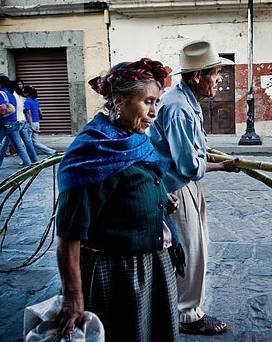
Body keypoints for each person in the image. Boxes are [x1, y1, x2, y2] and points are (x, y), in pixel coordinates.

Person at [55, 59, 179, 341]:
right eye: (148, 101)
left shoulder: (133, 139)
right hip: (117, 274)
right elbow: (69, 234)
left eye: (156, 101)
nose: (153, 112)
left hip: (152, 265)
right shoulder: (91, 153)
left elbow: (136, 182)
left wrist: (160, 199)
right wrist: (73, 295)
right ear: (120, 100)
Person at [149, 40, 239, 336]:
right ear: (198, 76)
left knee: (193, 247)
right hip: (177, 188)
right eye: (215, 73)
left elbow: (194, 150)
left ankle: (182, 308)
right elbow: (188, 166)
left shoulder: (184, 99)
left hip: (186, 185)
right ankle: (188, 315)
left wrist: (210, 157)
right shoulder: (179, 108)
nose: (220, 78)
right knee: (190, 251)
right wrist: (220, 166)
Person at [0, 80, 38, 168]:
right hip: (23, 121)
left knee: (17, 145)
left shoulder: (12, 95)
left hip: (15, 122)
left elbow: (8, 109)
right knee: (25, 143)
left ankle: (27, 164)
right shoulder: (20, 95)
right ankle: (34, 161)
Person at [23, 86, 57, 155]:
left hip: (30, 123)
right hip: (37, 122)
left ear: (27, 93)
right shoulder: (35, 100)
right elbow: (40, 111)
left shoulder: (27, 101)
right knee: (35, 142)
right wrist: (41, 117)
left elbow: (28, 113)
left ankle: (28, 158)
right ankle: (51, 151)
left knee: (28, 142)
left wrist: (30, 124)